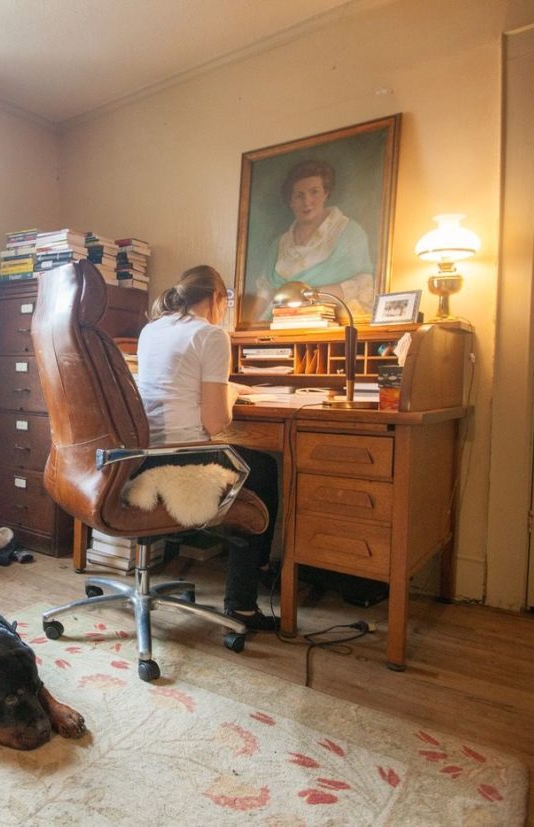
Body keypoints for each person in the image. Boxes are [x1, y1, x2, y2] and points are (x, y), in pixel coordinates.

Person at [134, 264, 280, 631]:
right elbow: (217, 424)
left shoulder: (151, 330)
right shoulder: (211, 335)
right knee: (261, 470)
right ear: (217, 298)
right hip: (185, 460)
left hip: (142, 459)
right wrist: (230, 390)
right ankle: (244, 601)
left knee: (254, 465)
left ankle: (256, 575)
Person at [248, 159, 376, 321]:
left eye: (314, 192)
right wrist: (252, 327)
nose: (307, 201)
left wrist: (309, 297)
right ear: (291, 202)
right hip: (280, 327)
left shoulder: (350, 233)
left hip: (330, 326)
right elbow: (265, 291)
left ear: (326, 194)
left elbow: (363, 284)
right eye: (299, 195)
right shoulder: (279, 245)